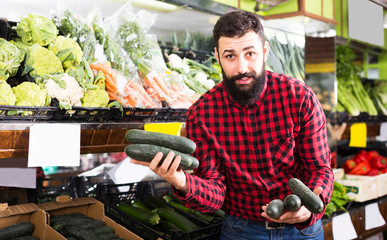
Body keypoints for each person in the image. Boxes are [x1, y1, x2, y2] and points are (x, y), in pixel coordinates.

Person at [131, 10, 334, 240]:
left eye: (250, 53)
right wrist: (181, 181)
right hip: (242, 230)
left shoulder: (299, 98)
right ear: (217, 56)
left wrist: (310, 206)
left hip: (303, 231)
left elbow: (319, 169)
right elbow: (215, 194)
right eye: (230, 56)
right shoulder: (202, 114)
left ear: (264, 51)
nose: (242, 67)